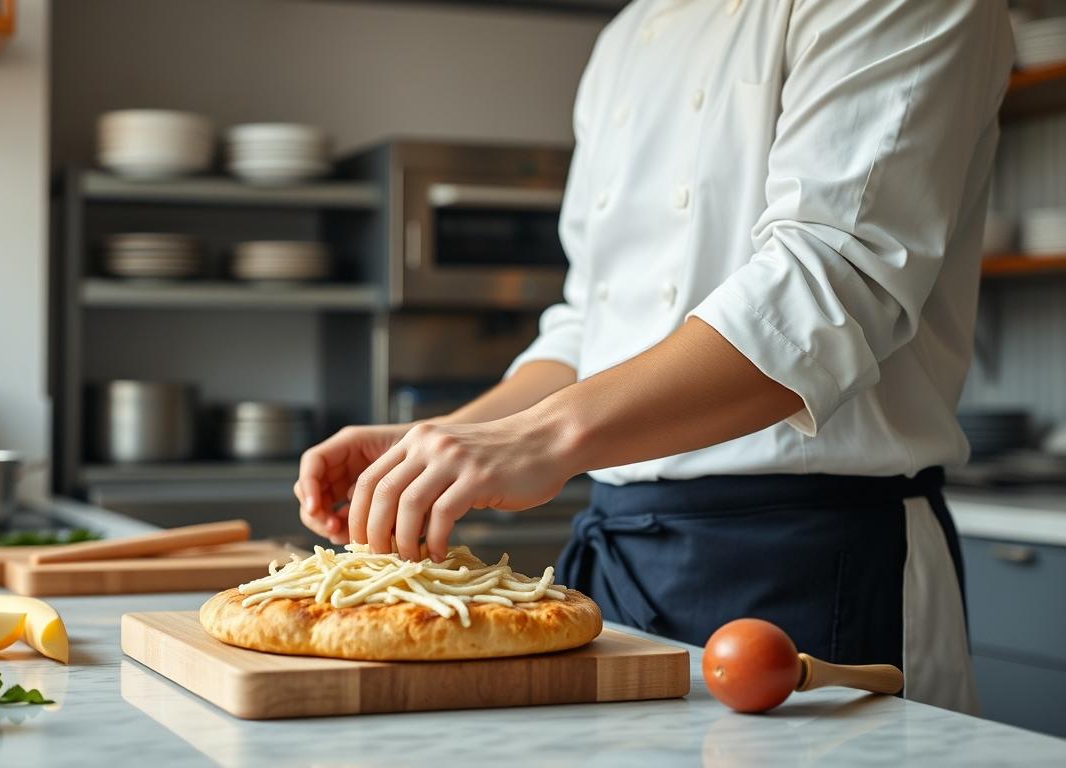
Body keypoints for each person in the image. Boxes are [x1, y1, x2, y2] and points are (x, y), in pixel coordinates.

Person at [296, 0, 1013, 714]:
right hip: (625, 571)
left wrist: (543, 437)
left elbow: (828, 286)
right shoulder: (626, 38)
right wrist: (440, 443)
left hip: (819, 563)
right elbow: (590, 329)